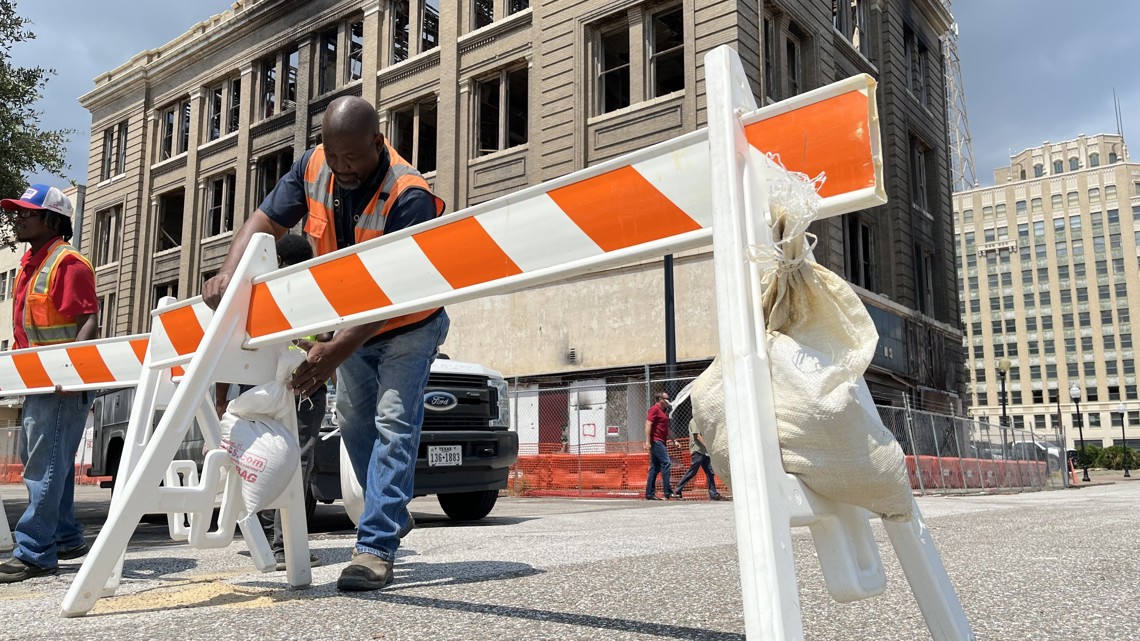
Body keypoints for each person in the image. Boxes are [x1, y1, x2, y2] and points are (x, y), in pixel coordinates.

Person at [204, 96, 447, 591]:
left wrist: (337, 348)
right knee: (357, 425)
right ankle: (390, 512)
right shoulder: (315, 165)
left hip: (408, 324)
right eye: (333, 156)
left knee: (394, 424)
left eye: (353, 158)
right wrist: (230, 270)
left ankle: (376, 546)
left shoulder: (409, 195)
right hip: (351, 324)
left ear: (377, 143)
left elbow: (398, 291)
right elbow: (265, 222)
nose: (342, 168)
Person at [0, 184, 99, 583]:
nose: (18, 217)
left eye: (27, 212)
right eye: (17, 212)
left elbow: (87, 321)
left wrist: (72, 373)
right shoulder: (31, 263)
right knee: (48, 461)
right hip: (39, 378)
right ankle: (65, 536)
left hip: (61, 380)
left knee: (44, 464)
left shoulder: (67, 263)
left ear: (52, 219)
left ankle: (35, 552)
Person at [672, 419, 724, 501]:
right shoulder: (694, 421)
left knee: (710, 472)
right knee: (692, 471)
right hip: (698, 450)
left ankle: (713, 494)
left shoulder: (702, 422)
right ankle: (677, 489)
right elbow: (697, 435)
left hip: (704, 452)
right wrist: (707, 446)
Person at [644, 391, 676, 500]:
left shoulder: (664, 411)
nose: (668, 400)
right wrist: (648, 441)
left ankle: (649, 493)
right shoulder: (654, 409)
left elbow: (666, 429)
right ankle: (668, 492)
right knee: (666, 462)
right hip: (656, 441)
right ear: (660, 399)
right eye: (666, 398)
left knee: (655, 467)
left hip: (662, 441)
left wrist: (674, 440)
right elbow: (648, 424)